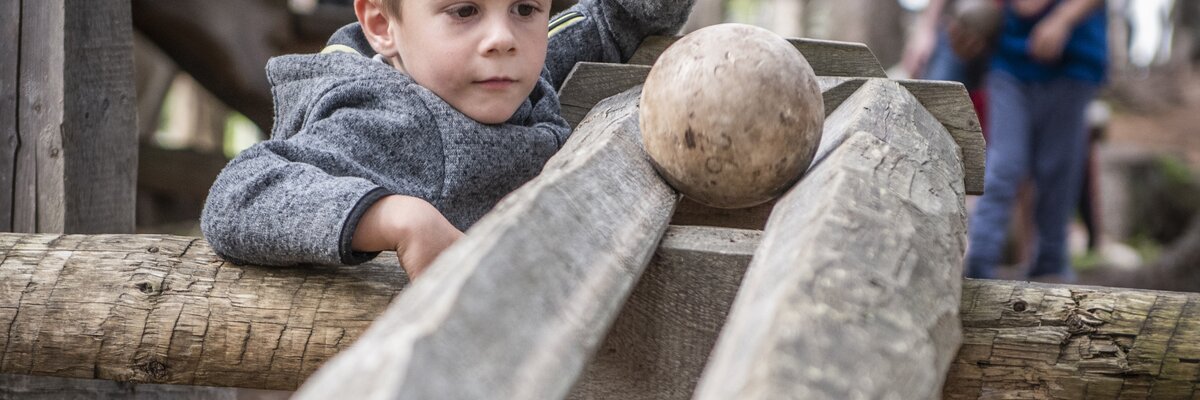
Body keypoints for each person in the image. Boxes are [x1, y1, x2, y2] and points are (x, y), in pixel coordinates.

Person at [201, 0, 696, 279]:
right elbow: (237, 196)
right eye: (464, 11)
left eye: (525, 7)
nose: (502, 37)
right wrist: (398, 218)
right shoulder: (387, 122)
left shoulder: (494, 69)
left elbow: (609, 21)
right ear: (381, 25)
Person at [965, 0, 1108, 281]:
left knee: (1056, 171)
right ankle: (978, 267)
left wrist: (1063, 19)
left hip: (1072, 61)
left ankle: (1050, 267)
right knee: (1004, 165)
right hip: (1010, 60)